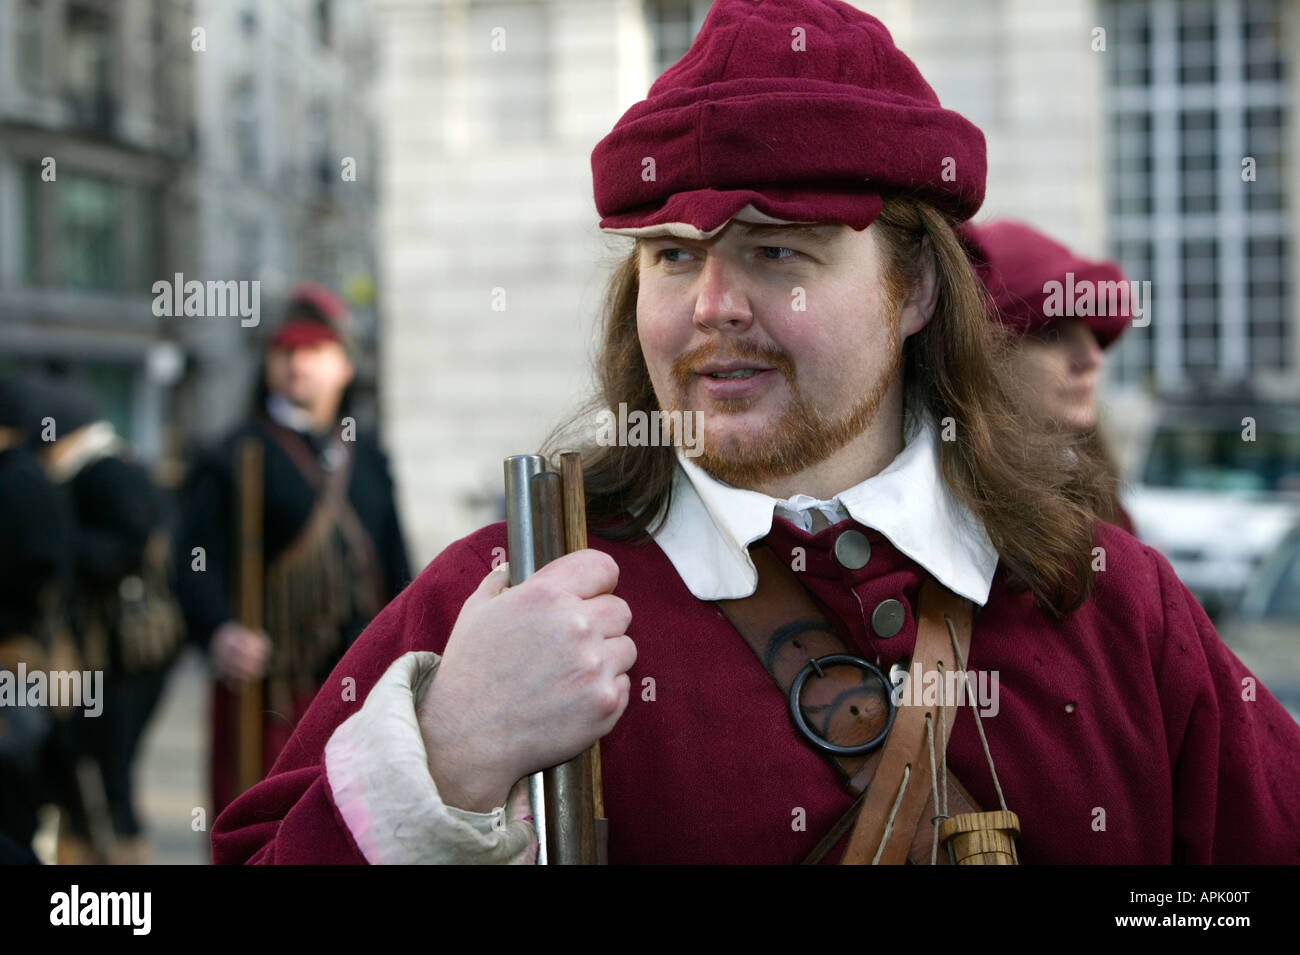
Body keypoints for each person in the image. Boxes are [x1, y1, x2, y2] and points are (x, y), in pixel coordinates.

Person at [212, 0, 1300, 865]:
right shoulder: (500, 599)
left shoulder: (1115, 606)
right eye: (675, 254)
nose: (710, 306)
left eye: (779, 251)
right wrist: (443, 766)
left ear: (914, 286)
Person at [174, 282, 411, 817]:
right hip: (270, 691)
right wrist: (219, 631)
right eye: (285, 351)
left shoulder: (367, 454)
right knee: (264, 826)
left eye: (314, 350)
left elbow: (395, 563)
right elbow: (194, 562)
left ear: (346, 365)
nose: (297, 363)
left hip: (358, 686)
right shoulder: (235, 453)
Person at [960, 219, 1138, 533]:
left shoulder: (1101, 506)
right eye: (1052, 333)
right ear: (982, 356)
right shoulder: (949, 516)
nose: (1092, 358)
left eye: (1091, 333)